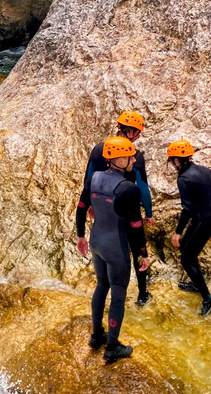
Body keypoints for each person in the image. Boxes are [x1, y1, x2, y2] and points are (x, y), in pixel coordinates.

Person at [76, 136, 149, 363]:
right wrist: (143, 254)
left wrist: (80, 236)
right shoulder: (129, 189)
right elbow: (136, 227)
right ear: (119, 158)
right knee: (118, 294)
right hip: (116, 248)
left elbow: (81, 207)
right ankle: (112, 348)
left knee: (101, 286)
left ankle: (96, 336)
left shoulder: (94, 178)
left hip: (96, 242)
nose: (135, 158)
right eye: (131, 155)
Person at [75, 111, 154, 306]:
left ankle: (105, 286)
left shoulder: (99, 149)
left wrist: (92, 203)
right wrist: (149, 213)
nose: (138, 137)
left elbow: (89, 177)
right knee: (136, 247)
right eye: (138, 133)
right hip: (126, 207)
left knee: (108, 241)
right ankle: (142, 294)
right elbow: (143, 189)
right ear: (132, 133)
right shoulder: (135, 156)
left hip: (102, 205)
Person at [167, 139, 211, 316]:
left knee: (186, 258)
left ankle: (208, 298)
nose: (172, 164)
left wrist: (177, 232)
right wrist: (204, 193)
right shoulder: (204, 170)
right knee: (188, 249)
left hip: (202, 221)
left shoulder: (184, 178)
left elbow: (188, 209)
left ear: (177, 160)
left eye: (171, 161)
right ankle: (196, 282)